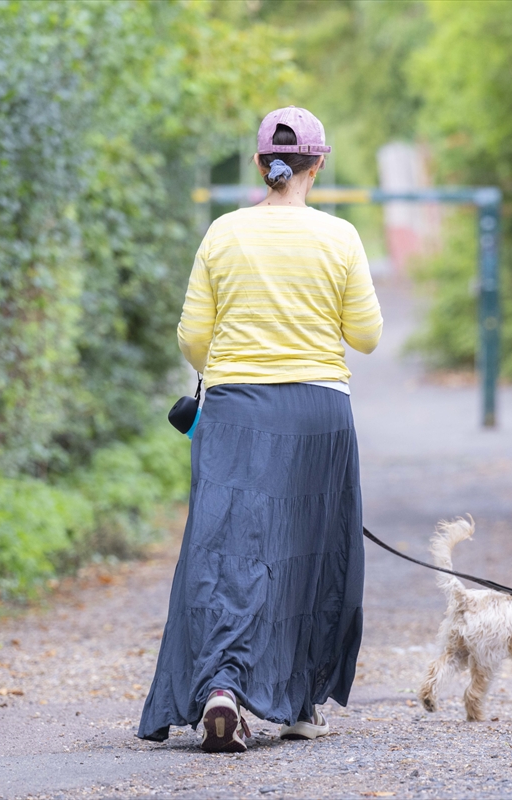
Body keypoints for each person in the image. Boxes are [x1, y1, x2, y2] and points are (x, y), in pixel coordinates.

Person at [137, 106, 383, 753]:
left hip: (236, 412)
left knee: (228, 552)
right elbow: (366, 335)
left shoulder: (223, 233)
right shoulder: (340, 237)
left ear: (258, 164)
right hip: (317, 412)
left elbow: (193, 338)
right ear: (316, 165)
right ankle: (299, 704)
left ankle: (221, 687)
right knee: (310, 552)